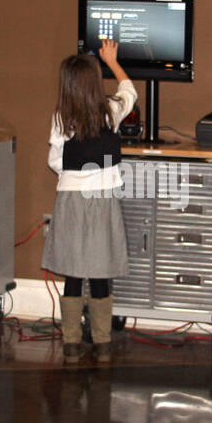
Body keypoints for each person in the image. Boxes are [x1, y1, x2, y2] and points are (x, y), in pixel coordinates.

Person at [41, 40, 136, 362]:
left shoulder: (60, 118)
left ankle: (70, 342)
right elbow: (130, 92)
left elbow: (55, 160)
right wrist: (112, 60)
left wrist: (72, 175)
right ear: (96, 81)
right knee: (100, 271)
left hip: (70, 201)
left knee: (73, 272)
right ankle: (103, 341)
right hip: (104, 201)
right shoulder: (110, 110)